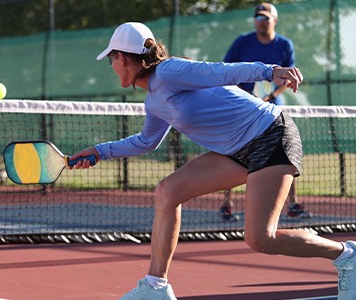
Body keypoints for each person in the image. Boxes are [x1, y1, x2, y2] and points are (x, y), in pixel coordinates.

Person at [69, 22, 355, 299]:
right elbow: (147, 141)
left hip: (270, 134)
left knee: (260, 238)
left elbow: (220, 72)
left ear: (121, 57)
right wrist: (99, 151)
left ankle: (346, 256)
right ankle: (155, 286)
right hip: (235, 151)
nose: (112, 66)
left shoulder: (169, 71)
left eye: (111, 61)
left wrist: (270, 71)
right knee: (168, 191)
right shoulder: (153, 100)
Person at [220, 2, 310, 222]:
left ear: (274, 20)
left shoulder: (285, 45)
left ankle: (293, 204)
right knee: (232, 151)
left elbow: (288, 77)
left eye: (265, 18)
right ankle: (226, 205)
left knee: (285, 153)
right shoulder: (242, 42)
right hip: (241, 108)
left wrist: (268, 97)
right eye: (258, 18)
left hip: (271, 111)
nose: (261, 21)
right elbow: (225, 70)